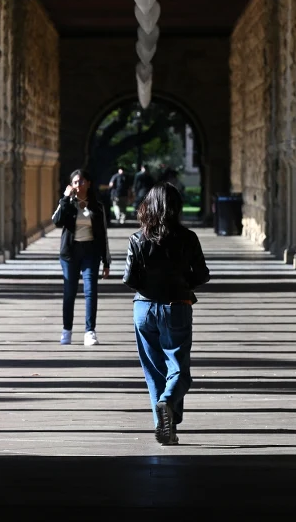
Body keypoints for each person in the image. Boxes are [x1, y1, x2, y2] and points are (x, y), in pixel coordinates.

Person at [123, 183, 211, 446]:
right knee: (179, 370)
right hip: (177, 306)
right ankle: (168, 403)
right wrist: (184, 282)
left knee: (154, 371)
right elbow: (203, 274)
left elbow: (129, 279)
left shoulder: (137, 239)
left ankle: (166, 428)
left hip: (144, 307)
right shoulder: (188, 238)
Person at [51, 168, 111, 346]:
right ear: (71, 185)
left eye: (82, 181)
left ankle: (89, 331)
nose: (79, 185)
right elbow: (56, 221)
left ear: (89, 183)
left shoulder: (97, 207)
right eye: (76, 182)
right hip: (70, 253)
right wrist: (65, 198)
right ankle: (66, 330)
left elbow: (103, 235)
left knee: (91, 292)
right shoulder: (67, 204)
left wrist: (106, 261)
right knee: (69, 293)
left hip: (90, 253)